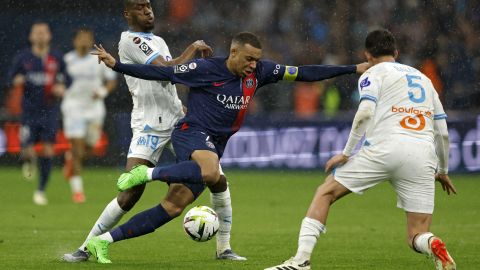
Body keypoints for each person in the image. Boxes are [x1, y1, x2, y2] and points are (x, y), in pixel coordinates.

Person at [86, 31, 370, 264]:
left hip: (215, 144)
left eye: (256, 60)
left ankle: (104, 241)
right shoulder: (205, 69)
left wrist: (353, 69)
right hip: (191, 134)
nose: (253, 65)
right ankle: (145, 175)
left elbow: (306, 73)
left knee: (172, 207)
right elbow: (159, 73)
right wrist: (117, 65)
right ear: (233, 53)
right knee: (212, 174)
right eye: (248, 59)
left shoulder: (261, 72)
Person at [62, 0, 245, 262]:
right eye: (140, 7)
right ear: (127, 14)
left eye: (149, 5)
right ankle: (85, 248)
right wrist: (192, 48)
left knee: (217, 178)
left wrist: (178, 103)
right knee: (130, 193)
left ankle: (224, 248)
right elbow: (166, 71)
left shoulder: (157, 40)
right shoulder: (131, 41)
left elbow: (170, 77)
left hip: (178, 122)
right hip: (148, 125)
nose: (148, 11)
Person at [265, 29, 457, 270]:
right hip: (423, 154)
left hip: (384, 148)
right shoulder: (423, 79)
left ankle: (301, 261)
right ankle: (433, 243)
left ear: (367, 55)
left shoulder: (373, 73)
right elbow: (442, 132)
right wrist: (444, 169)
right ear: (396, 52)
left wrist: (347, 152)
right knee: (416, 234)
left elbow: (365, 112)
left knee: (326, 193)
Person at [8, 22, 69, 205]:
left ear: (49, 35)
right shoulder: (23, 57)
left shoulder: (57, 57)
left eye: (44, 32)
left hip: (49, 111)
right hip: (29, 112)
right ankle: (28, 159)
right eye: (37, 33)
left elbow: (68, 78)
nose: (41, 36)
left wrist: (62, 86)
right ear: (31, 36)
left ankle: (41, 190)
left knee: (49, 149)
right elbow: (9, 78)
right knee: (26, 150)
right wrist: (16, 80)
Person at [62, 28, 117, 203]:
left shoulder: (97, 59)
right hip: (73, 107)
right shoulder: (67, 60)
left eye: (88, 39)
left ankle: (70, 159)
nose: (84, 42)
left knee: (90, 148)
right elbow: (58, 80)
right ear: (75, 41)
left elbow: (112, 80)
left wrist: (102, 91)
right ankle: (78, 191)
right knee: (77, 147)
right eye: (81, 38)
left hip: (94, 108)